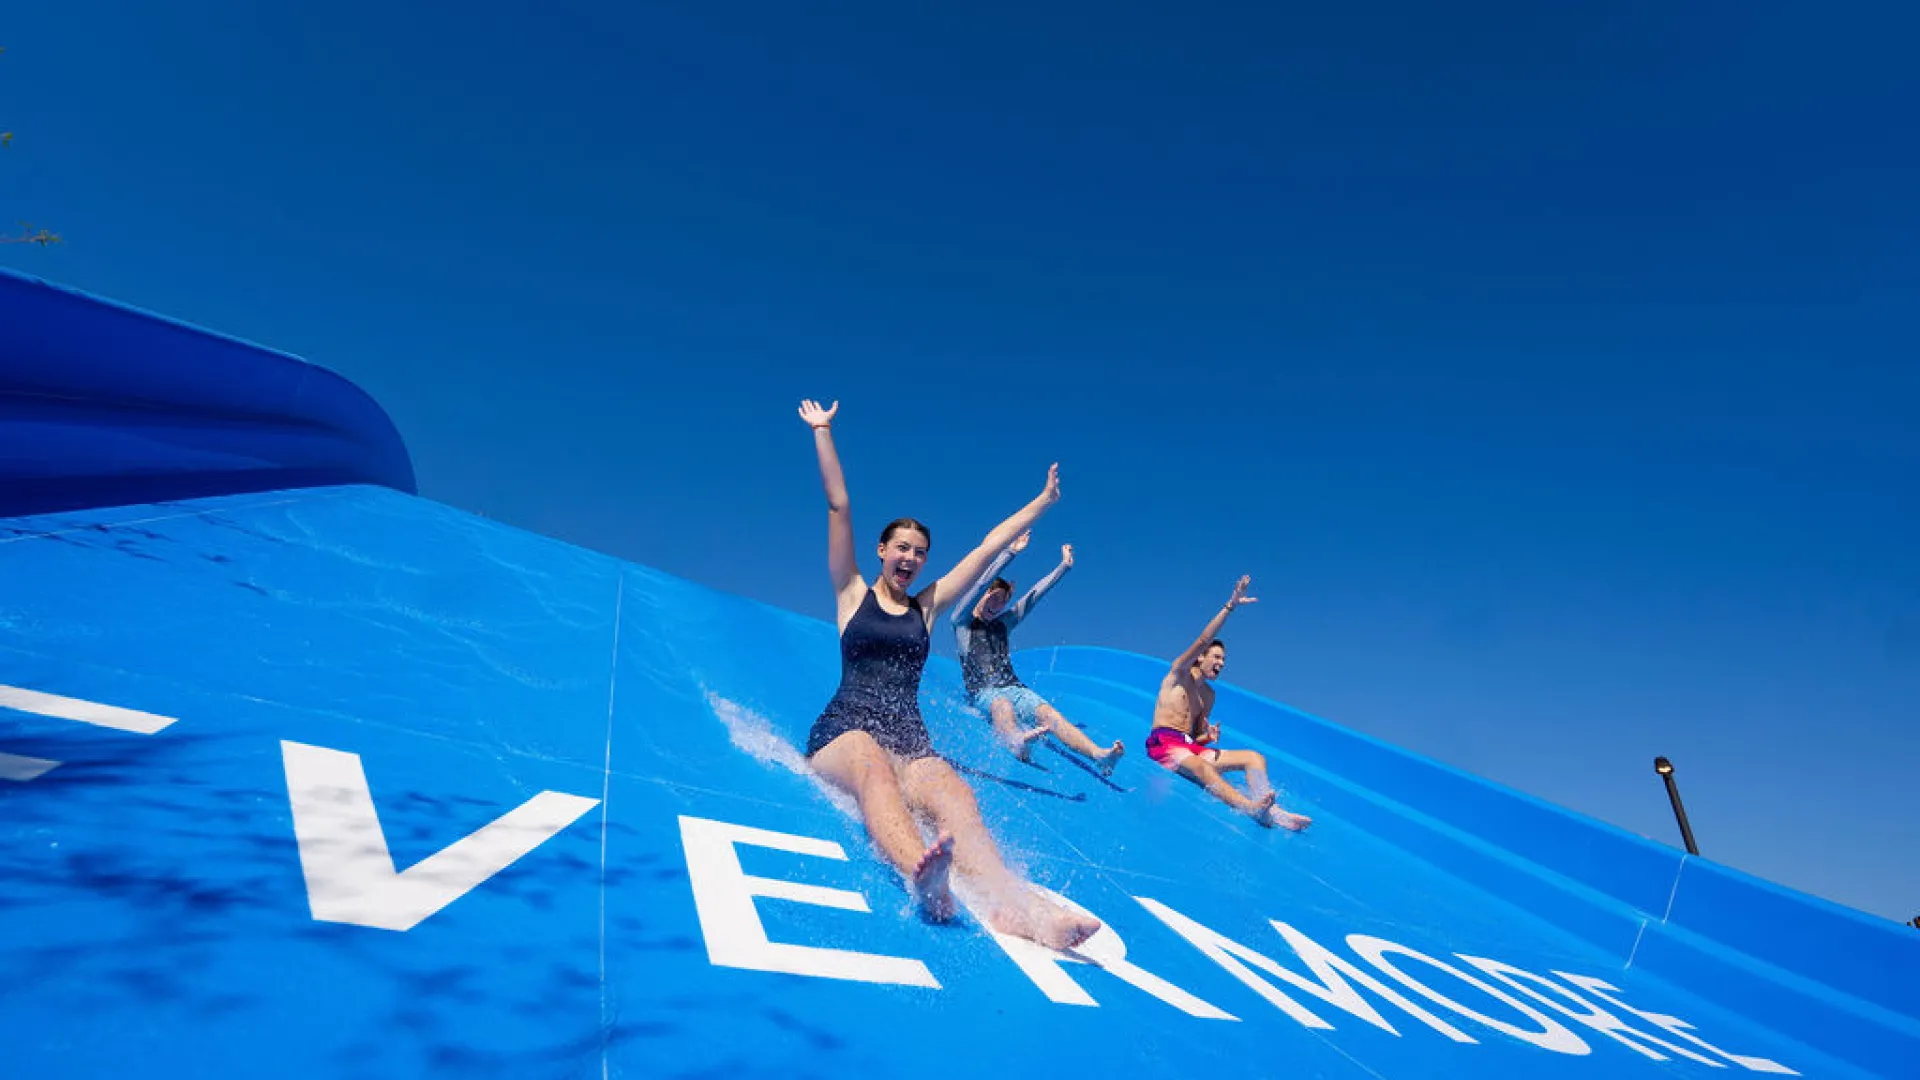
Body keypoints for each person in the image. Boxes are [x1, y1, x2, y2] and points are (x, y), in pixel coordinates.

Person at [796, 398, 1102, 951]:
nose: (910, 558)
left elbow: (988, 547)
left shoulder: (927, 608)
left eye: (920, 552)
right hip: (844, 735)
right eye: (901, 548)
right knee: (870, 762)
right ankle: (924, 873)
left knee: (954, 791)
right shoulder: (851, 594)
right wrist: (822, 431)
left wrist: (1043, 501)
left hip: (908, 741)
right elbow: (839, 507)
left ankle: (1019, 909)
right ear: (882, 551)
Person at [1146, 576, 1312, 830]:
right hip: (1164, 744)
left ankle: (1272, 811)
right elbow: (1203, 639)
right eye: (1217, 657)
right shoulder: (1178, 673)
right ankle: (1249, 808)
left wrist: (1207, 737)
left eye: (1224, 660)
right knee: (1201, 768)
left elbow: (1195, 739)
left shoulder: (1209, 696)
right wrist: (1230, 605)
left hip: (1191, 748)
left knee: (1254, 757)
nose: (1221, 663)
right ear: (1201, 658)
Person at [949, 532, 1124, 773]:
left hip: (1016, 688)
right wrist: (1009, 553)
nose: (998, 605)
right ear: (983, 595)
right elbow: (978, 585)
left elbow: (1034, 597)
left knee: (1048, 713)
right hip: (984, 692)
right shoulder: (962, 622)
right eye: (994, 598)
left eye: (1003, 601)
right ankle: (1016, 741)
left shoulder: (1003, 624)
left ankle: (1099, 755)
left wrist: (1063, 567)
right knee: (1002, 705)